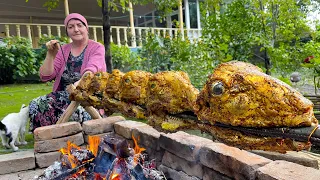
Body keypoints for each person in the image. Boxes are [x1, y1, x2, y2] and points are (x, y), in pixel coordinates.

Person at [29, 13, 106, 131]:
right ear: (67, 31)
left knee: (81, 114)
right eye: (70, 27)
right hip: (63, 97)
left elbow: (91, 70)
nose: (76, 29)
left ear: (86, 28)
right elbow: (46, 76)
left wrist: (77, 86)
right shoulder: (64, 49)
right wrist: (50, 54)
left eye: (79, 25)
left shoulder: (97, 47)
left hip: (88, 98)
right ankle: (46, 138)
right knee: (36, 104)